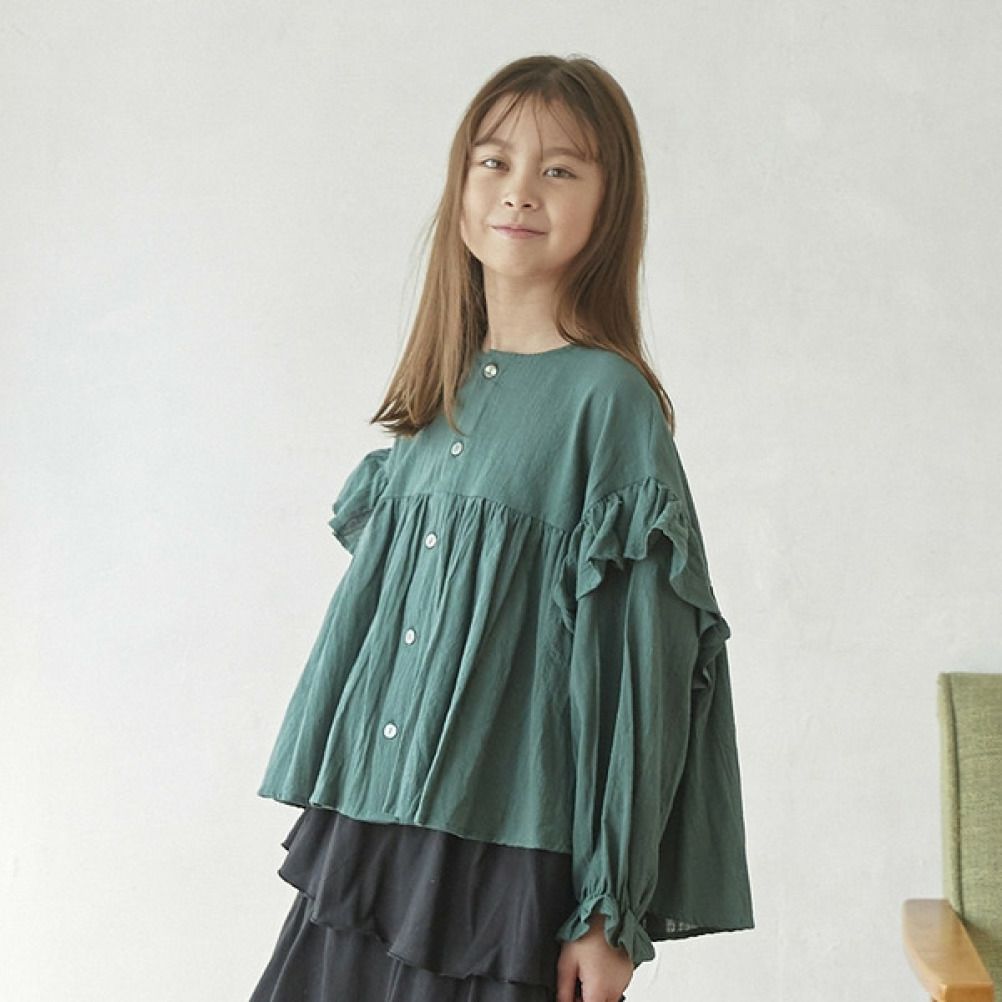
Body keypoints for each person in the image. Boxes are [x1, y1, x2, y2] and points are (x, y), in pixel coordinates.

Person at [248, 53, 754, 1002]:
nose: (520, 189)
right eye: (494, 161)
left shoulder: (607, 406)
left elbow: (642, 677)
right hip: (370, 839)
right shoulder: (435, 398)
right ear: (461, 186)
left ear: (610, 203)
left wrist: (606, 912)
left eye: (560, 169)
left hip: (505, 864)